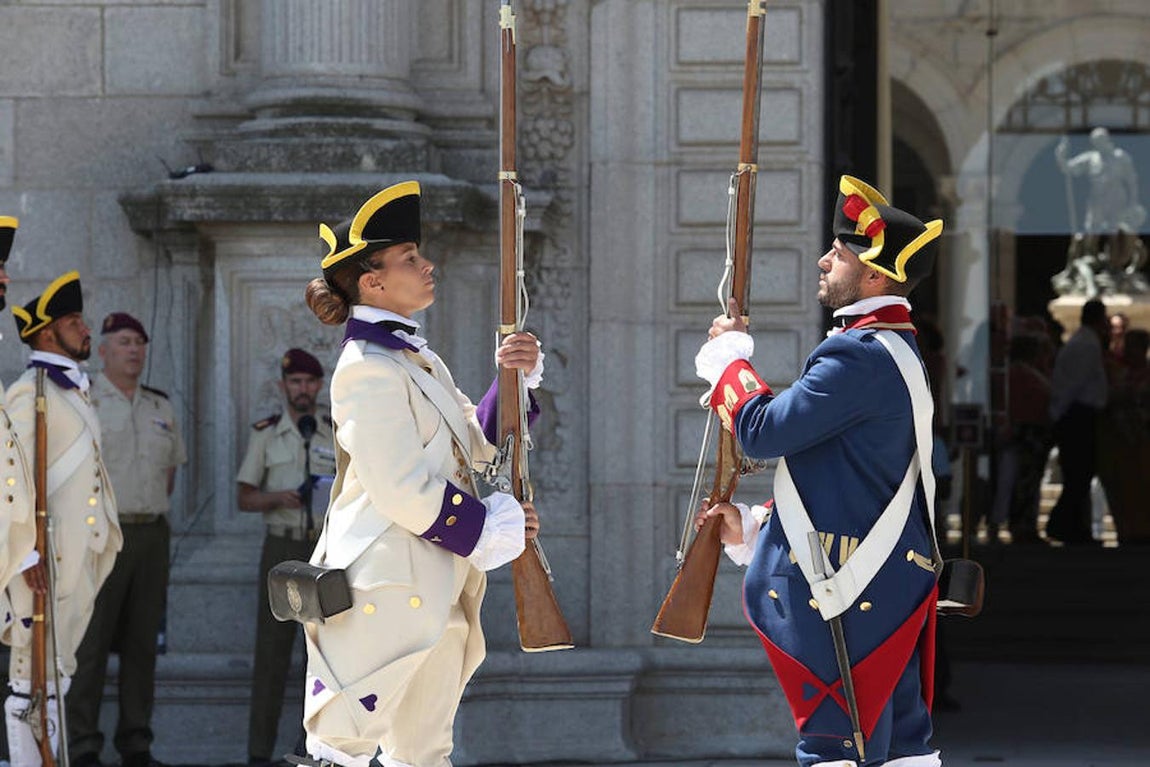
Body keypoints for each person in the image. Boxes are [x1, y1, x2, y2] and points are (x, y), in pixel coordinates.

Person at [695, 175, 945, 767]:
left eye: (840, 253)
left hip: (845, 589)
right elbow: (854, 479)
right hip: (879, 584)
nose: (824, 260)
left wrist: (730, 364)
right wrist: (760, 527)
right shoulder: (889, 347)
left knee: (835, 747)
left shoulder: (858, 353)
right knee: (897, 748)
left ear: (876, 276)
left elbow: (762, 431)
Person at [300, 180, 541, 767]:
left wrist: (513, 379)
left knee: (423, 754)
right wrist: (485, 527)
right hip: (382, 590)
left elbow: (477, 445)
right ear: (372, 282)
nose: (427, 265)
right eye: (409, 259)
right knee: (342, 749)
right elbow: (399, 488)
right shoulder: (365, 367)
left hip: (437, 584)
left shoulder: (414, 359)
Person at [3, 272, 122, 767]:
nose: (85, 329)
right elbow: (10, 480)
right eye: (74, 322)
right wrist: (23, 552)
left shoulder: (68, 389)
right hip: (43, 558)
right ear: (47, 333)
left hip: (73, 554)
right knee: (30, 673)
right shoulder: (28, 392)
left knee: (56, 671)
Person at [66, 312, 187, 767]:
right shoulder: (84, 401)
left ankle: (136, 744)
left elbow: (168, 474)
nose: (133, 349)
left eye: (139, 342)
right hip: (100, 534)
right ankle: (83, 746)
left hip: (151, 533)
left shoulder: (160, 406)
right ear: (102, 351)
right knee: (91, 644)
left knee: (142, 643)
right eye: (123, 342)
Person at [237, 348, 336, 767]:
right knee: (272, 652)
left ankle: (311, 748)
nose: (303, 389)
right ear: (284, 386)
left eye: (309, 381)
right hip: (281, 547)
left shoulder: (335, 430)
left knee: (325, 654)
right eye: (295, 382)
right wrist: (278, 497)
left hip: (324, 550)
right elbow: (245, 497)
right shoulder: (267, 433)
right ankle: (259, 752)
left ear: (319, 385)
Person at [1045, 299, 1109, 546]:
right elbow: (1074, 384)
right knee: (1079, 472)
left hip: (1077, 414)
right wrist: (1059, 414)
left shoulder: (1084, 342)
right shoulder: (1086, 344)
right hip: (1077, 415)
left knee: (1080, 473)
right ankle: (1062, 524)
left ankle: (1072, 526)